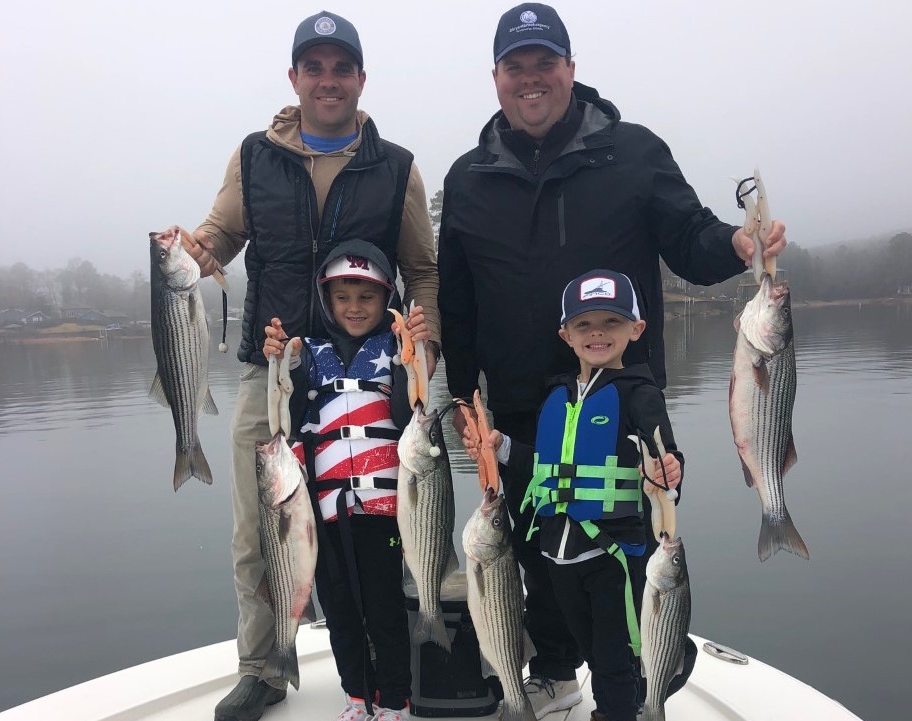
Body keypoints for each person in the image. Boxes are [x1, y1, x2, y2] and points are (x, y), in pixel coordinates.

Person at [437, 4, 786, 717]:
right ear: (496, 78)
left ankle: (636, 682)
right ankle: (557, 670)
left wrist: (735, 246)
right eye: (515, 68)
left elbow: (687, 234)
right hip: (513, 400)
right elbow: (458, 300)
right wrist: (462, 400)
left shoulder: (633, 152)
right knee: (537, 548)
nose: (530, 81)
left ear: (570, 70)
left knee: (627, 553)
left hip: (620, 399)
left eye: (544, 65)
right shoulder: (468, 176)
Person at [184, 11, 440, 721]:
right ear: (293, 77)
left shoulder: (396, 167)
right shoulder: (254, 156)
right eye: (314, 67)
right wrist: (194, 251)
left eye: (341, 68)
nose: (328, 80)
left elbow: (422, 270)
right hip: (273, 377)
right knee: (258, 532)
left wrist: (422, 356)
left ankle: (395, 663)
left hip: (369, 378)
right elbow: (220, 234)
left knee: (383, 525)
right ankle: (263, 667)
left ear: (360, 79)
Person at [465, 269, 685, 720]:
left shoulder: (640, 394)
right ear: (566, 334)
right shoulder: (559, 394)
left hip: (611, 556)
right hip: (558, 555)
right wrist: (501, 447)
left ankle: (620, 709)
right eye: (584, 324)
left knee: (611, 657)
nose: (597, 333)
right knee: (584, 645)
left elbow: (665, 456)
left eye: (611, 322)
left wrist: (667, 470)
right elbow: (544, 465)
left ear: (636, 329)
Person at [264, 242, 429, 721]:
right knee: (340, 611)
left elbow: (406, 415)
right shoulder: (307, 353)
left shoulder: (395, 351)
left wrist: (411, 362)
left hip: (382, 509)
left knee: (385, 610)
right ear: (327, 301)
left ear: (386, 300)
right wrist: (280, 362)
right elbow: (288, 420)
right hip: (324, 510)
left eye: (367, 297)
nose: (355, 308)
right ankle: (357, 695)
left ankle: (395, 700)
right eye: (343, 297)